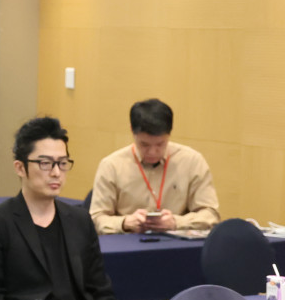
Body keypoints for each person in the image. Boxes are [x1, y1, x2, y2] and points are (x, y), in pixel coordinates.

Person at [0, 116, 115, 300]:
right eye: (45, 163)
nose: (56, 173)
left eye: (62, 163)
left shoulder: (80, 219)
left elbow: (100, 290)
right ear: (20, 167)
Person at [90, 98, 220, 234]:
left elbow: (211, 214)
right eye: (144, 144)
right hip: (127, 241)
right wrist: (124, 223)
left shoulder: (192, 161)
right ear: (132, 131)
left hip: (175, 242)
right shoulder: (111, 166)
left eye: (160, 144)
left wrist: (176, 222)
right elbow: (96, 218)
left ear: (169, 133)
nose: (152, 152)